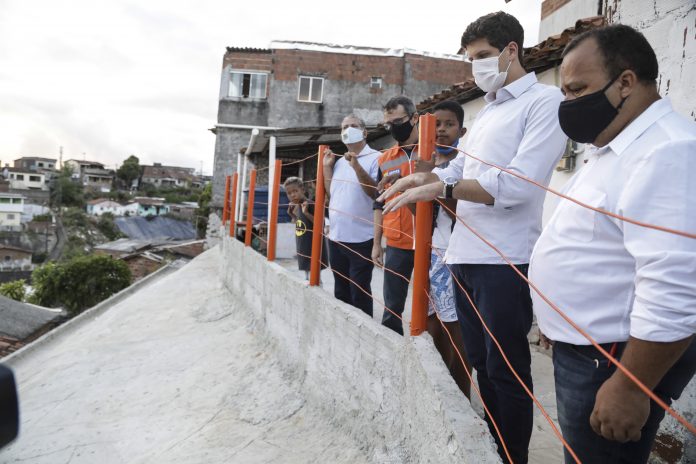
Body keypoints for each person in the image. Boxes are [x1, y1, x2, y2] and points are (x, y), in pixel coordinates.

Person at [378, 12, 568, 463]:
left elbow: (518, 186)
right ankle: (493, 447)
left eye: (483, 55)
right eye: (471, 59)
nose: (476, 66)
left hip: (504, 260)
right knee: (481, 365)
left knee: (506, 371)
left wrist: (441, 189)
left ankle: (512, 456)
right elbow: (461, 168)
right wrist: (421, 179)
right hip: (464, 254)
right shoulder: (488, 111)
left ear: (511, 50)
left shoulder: (544, 102)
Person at [529, 24, 696, 463]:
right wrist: (558, 320)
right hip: (589, 350)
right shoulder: (612, 145)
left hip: (614, 362)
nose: (568, 104)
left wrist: (631, 386)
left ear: (625, 82)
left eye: (577, 89)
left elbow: (676, 282)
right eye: (564, 93)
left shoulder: (668, 151)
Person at [419, 101, 471, 398]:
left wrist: (434, 183)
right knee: (431, 325)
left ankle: (461, 395)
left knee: (456, 329)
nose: (441, 130)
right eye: (436, 124)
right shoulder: (428, 163)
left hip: (455, 255)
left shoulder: (465, 164)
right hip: (430, 253)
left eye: (449, 124)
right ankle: (439, 391)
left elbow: (458, 214)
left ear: (461, 131)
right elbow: (420, 218)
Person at [322, 114, 380, 316]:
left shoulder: (376, 158)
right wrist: (326, 168)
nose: (347, 130)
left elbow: (375, 193)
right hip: (337, 237)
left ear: (364, 132)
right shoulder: (339, 162)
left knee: (359, 293)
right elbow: (333, 194)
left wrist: (356, 166)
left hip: (361, 238)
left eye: (353, 125)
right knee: (341, 292)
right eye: (344, 127)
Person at [373, 96, 420, 335]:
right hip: (397, 242)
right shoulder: (385, 159)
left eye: (398, 122)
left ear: (414, 118)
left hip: (431, 241)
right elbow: (378, 203)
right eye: (388, 124)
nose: (393, 128)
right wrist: (376, 244)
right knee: (392, 307)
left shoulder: (433, 151)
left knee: (433, 306)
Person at [285, 177, 326, 280]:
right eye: (289, 193)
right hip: (303, 247)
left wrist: (306, 213)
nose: (292, 195)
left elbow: (321, 224)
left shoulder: (310, 204)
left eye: (295, 191)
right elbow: (301, 223)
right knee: (307, 278)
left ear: (302, 190)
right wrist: (292, 215)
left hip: (312, 249)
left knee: (314, 279)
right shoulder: (299, 205)